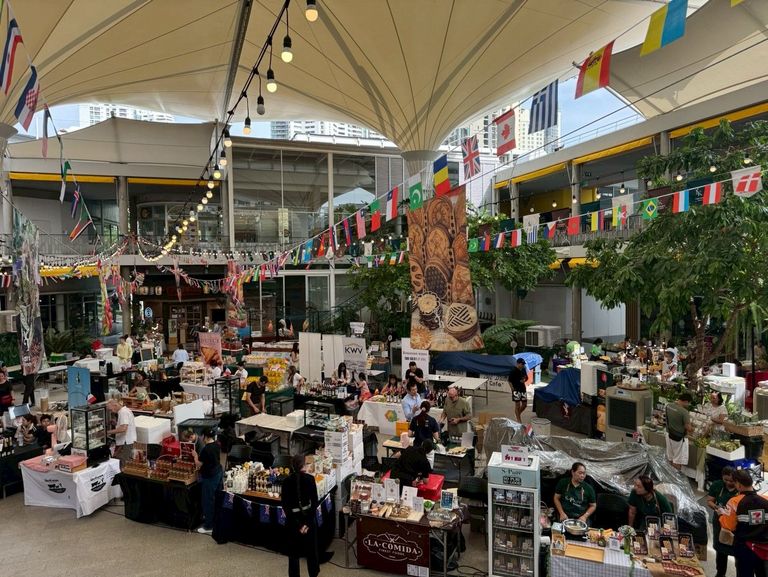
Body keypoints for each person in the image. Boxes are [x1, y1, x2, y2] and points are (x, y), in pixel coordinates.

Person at [719, 469, 768, 577]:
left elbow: (728, 526)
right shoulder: (766, 499)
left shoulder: (734, 502)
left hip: (745, 548)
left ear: (739, 484)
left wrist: (722, 515)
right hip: (764, 549)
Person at [281, 453, 320, 577]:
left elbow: (285, 506)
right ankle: (313, 574)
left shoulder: (286, 482)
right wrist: (307, 524)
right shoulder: (310, 479)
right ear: (303, 465)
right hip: (308, 517)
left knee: (293, 554)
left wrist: (297, 525)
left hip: (293, 521)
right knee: (311, 552)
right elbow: (314, 502)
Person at [707, 467, 738, 577]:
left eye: (731, 481)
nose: (728, 483)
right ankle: (720, 573)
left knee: (737, 552)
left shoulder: (740, 488)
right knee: (720, 550)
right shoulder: (717, 485)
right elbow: (710, 500)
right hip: (719, 523)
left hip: (735, 526)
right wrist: (716, 507)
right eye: (726, 480)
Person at [193, 428, 223, 535]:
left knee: (207, 501)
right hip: (218, 472)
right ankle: (217, 522)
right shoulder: (217, 445)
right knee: (216, 499)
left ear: (205, 437)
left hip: (210, 477)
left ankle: (209, 526)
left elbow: (199, 464)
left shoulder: (206, 449)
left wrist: (195, 456)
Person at [665, 392, 693, 470]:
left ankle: (669, 474)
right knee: (677, 460)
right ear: (686, 401)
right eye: (688, 403)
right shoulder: (684, 412)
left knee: (671, 457)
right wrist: (693, 428)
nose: (688, 405)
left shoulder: (668, 405)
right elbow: (688, 427)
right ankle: (675, 476)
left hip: (668, 433)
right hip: (678, 438)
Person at [107, 398, 136, 466]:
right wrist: (116, 423)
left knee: (123, 463)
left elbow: (123, 428)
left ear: (115, 405)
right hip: (126, 441)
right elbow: (124, 425)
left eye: (111, 409)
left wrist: (107, 432)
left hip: (126, 442)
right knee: (121, 461)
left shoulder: (123, 412)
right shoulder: (124, 411)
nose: (111, 412)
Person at [508, 358, 528, 422]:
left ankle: (517, 414)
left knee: (524, 405)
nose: (523, 365)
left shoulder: (523, 369)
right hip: (516, 390)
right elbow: (509, 381)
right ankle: (519, 420)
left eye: (523, 364)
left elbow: (526, 377)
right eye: (522, 364)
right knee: (517, 405)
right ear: (518, 363)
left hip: (523, 389)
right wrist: (512, 389)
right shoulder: (513, 370)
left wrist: (524, 380)